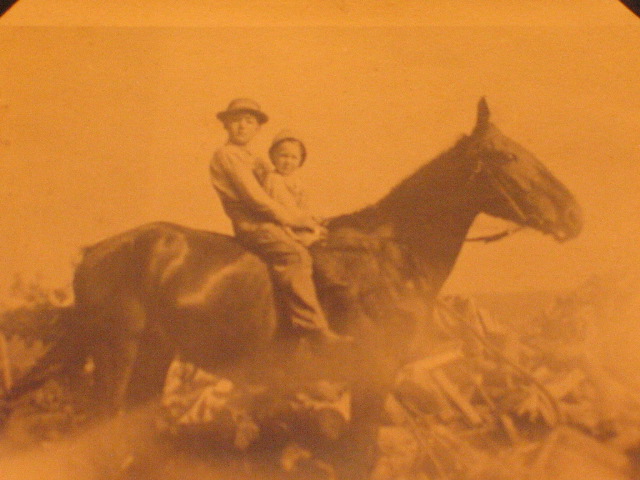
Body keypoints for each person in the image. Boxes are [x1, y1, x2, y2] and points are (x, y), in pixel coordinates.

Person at [209, 98, 348, 347]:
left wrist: (310, 219)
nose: (242, 126)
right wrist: (297, 221)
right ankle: (311, 329)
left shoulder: (255, 159)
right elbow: (256, 199)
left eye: (249, 121)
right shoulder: (227, 155)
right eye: (236, 120)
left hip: (274, 221)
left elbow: (283, 187)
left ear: (257, 128)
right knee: (295, 256)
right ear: (226, 125)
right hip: (255, 225)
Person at [261, 130, 325, 248]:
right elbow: (286, 209)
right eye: (283, 156)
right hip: (282, 225)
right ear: (273, 157)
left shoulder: (297, 181)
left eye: (294, 158)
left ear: (300, 160)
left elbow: (304, 206)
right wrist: (306, 222)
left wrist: (312, 217)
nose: (288, 162)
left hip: (297, 223)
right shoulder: (273, 179)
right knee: (312, 242)